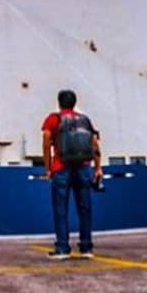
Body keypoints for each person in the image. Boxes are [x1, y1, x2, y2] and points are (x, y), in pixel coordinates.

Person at [41, 89, 102, 260]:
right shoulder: (84, 120)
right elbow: (95, 145)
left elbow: (46, 142)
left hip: (61, 167)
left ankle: (62, 248)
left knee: (61, 209)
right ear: (74, 102)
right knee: (85, 208)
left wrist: (48, 168)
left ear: (59, 103)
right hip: (83, 167)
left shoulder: (53, 119)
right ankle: (86, 247)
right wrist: (97, 168)